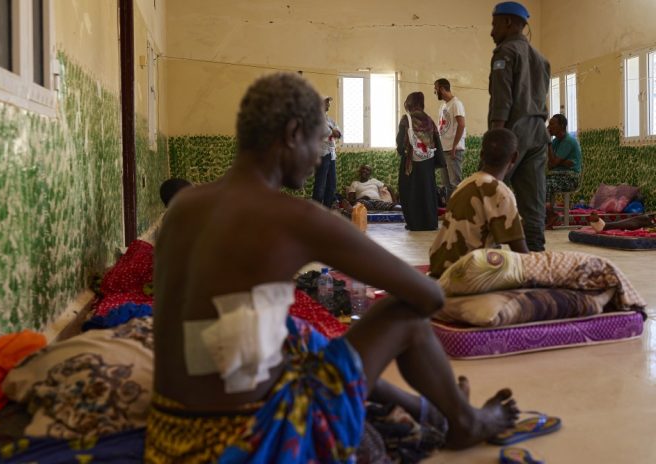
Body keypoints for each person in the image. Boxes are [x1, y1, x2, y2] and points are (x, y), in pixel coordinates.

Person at [146, 73, 519, 463]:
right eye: (319, 140)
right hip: (250, 443)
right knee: (404, 314)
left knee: (292, 335)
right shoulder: (294, 216)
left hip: (171, 438)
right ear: (293, 133)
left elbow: (220, 346)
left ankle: (430, 410)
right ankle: (464, 423)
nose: (321, 154)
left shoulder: (184, 207)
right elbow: (428, 296)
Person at [488, 1, 550, 251]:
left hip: (512, 133)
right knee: (533, 203)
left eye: (494, 24)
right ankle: (534, 255)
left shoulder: (505, 53)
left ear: (508, 23)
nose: (491, 31)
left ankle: (487, 255)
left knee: (489, 193)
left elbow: (503, 99)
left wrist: (495, 137)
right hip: (538, 134)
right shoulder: (541, 59)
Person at [429, 128, 529, 278]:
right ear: (514, 157)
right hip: (466, 275)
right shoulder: (500, 192)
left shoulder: (464, 185)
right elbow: (520, 252)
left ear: (481, 155)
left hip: (438, 271)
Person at [396, 91, 442, 231]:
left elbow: (400, 141)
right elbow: (437, 141)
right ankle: (430, 223)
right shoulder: (429, 120)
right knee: (427, 191)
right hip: (427, 162)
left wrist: (401, 151)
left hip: (411, 162)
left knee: (409, 190)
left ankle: (414, 223)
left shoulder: (406, 119)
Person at [545, 114, 582, 227]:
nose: (549, 126)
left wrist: (548, 142)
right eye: (549, 124)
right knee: (536, 184)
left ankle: (551, 216)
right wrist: (562, 162)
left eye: (552, 124)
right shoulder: (556, 141)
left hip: (571, 179)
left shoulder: (568, 141)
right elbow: (551, 165)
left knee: (546, 184)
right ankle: (549, 215)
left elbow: (554, 162)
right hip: (557, 176)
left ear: (561, 126)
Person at [435, 78, 467, 201]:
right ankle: (450, 212)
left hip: (453, 149)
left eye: (436, 89)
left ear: (442, 89)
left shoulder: (456, 104)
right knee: (446, 185)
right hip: (444, 149)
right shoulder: (443, 105)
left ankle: (458, 213)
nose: (435, 92)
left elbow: (461, 124)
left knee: (455, 184)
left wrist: (454, 146)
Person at [311, 96, 341, 208]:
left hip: (331, 154)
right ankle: (316, 209)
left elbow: (339, 133)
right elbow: (325, 132)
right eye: (326, 102)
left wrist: (333, 131)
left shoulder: (330, 120)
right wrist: (332, 131)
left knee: (331, 184)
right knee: (320, 184)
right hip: (322, 154)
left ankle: (327, 209)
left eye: (328, 102)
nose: (329, 104)